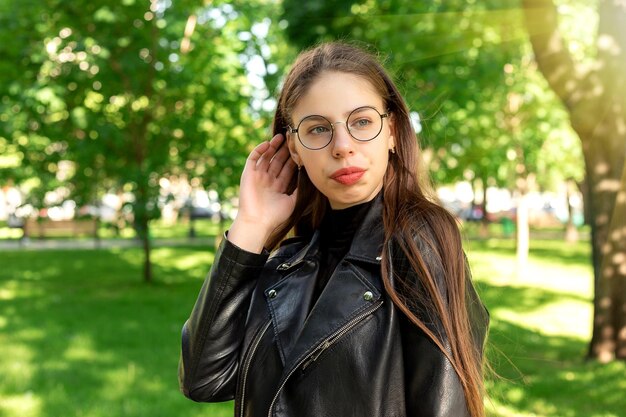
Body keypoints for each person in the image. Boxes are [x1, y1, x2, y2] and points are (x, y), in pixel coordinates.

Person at [178, 41, 489, 417]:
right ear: (294, 148)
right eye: (318, 129)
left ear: (390, 131)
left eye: (361, 122)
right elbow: (204, 380)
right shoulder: (287, 264)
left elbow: (445, 407)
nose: (342, 146)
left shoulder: (420, 240)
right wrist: (251, 225)